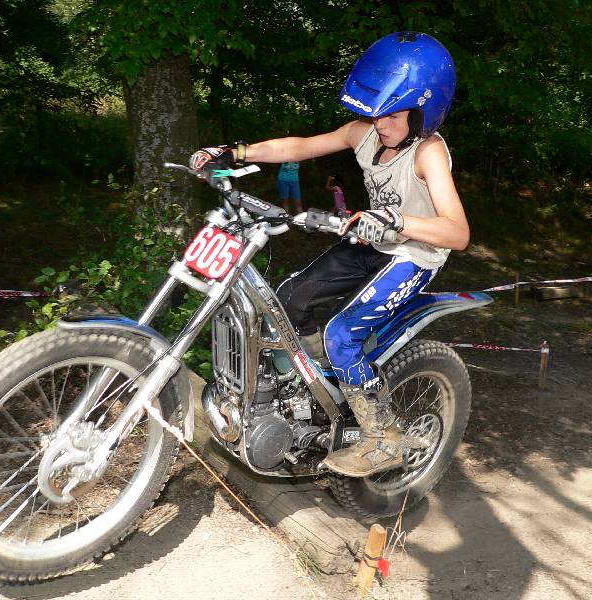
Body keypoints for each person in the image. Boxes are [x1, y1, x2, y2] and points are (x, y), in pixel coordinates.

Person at [189, 32, 469, 478]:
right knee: (288, 298)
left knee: (342, 333)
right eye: (376, 113)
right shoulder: (364, 134)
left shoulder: (428, 152)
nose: (381, 124)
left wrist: (397, 221)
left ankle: (382, 436)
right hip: (371, 241)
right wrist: (234, 151)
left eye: (393, 115)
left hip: (413, 254)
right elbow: (300, 146)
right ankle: (310, 392)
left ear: (423, 113)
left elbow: (457, 232)